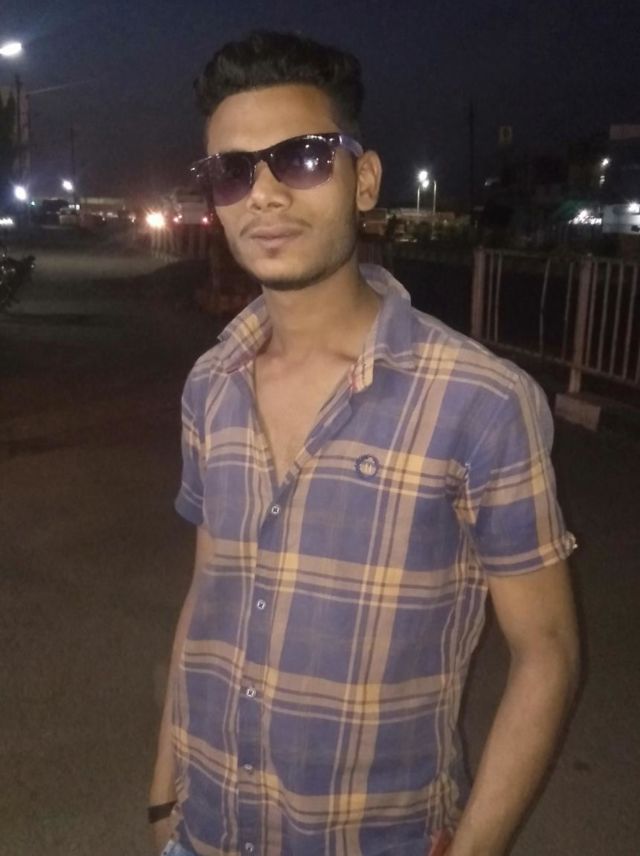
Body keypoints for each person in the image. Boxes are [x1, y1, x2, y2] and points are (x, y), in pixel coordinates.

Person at [149, 31, 580, 856]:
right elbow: (206, 597)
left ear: (366, 179)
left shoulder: (481, 401)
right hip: (202, 831)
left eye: (303, 158)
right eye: (233, 172)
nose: (265, 195)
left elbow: (548, 651)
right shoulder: (211, 384)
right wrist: (162, 797)